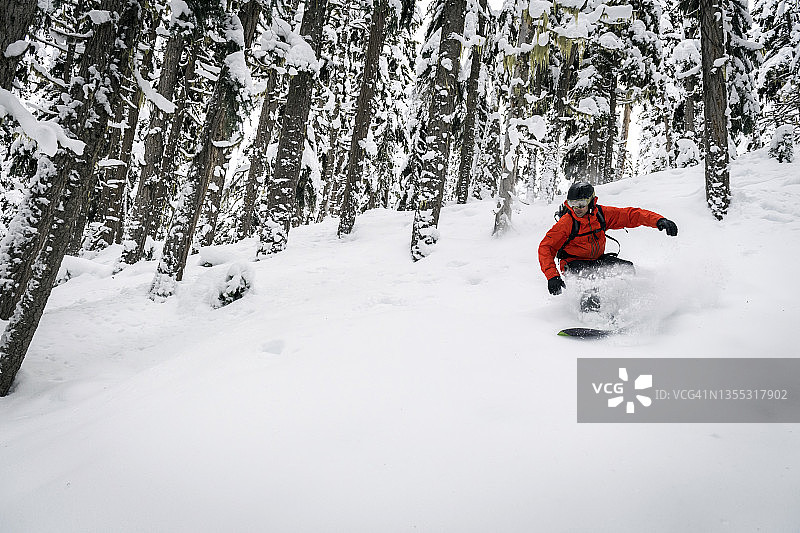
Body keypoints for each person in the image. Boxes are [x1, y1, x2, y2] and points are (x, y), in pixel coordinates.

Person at [538, 181, 678, 309]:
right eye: (573, 204)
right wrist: (552, 276)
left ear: (591, 201)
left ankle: (624, 307)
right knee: (590, 281)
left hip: (597, 259)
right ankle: (590, 316)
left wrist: (659, 220)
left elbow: (631, 215)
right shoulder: (567, 223)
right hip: (573, 263)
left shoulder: (602, 215)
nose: (577, 209)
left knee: (626, 269)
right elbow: (546, 247)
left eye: (581, 204)